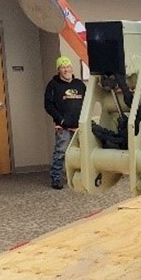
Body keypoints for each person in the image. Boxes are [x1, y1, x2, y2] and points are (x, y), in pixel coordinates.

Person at [44, 56, 86, 189]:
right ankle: (56, 178)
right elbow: (48, 105)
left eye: (68, 66)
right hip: (63, 127)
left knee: (82, 153)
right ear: (59, 70)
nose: (66, 69)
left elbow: (87, 102)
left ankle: (81, 178)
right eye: (63, 67)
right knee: (60, 153)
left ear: (71, 68)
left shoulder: (80, 84)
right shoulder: (53, 85)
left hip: (79, 126)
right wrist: (60, 120)